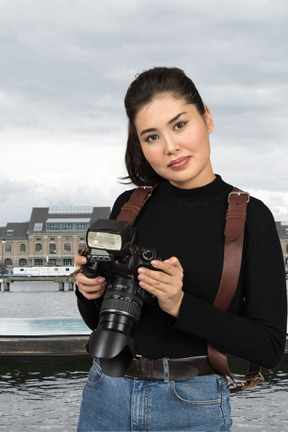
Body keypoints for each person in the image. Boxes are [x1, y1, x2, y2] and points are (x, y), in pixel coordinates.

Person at [75, 67, 287, 432]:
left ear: (206, 118)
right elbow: (101, 323)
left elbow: (269, 347)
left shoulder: (251, 218)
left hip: (191, 406)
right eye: (152, 136)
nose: (170, 147)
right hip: (104, 392)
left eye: (179, 125)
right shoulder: (128, 207)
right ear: (139, 145)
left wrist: (180, 304)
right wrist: (89, 292)